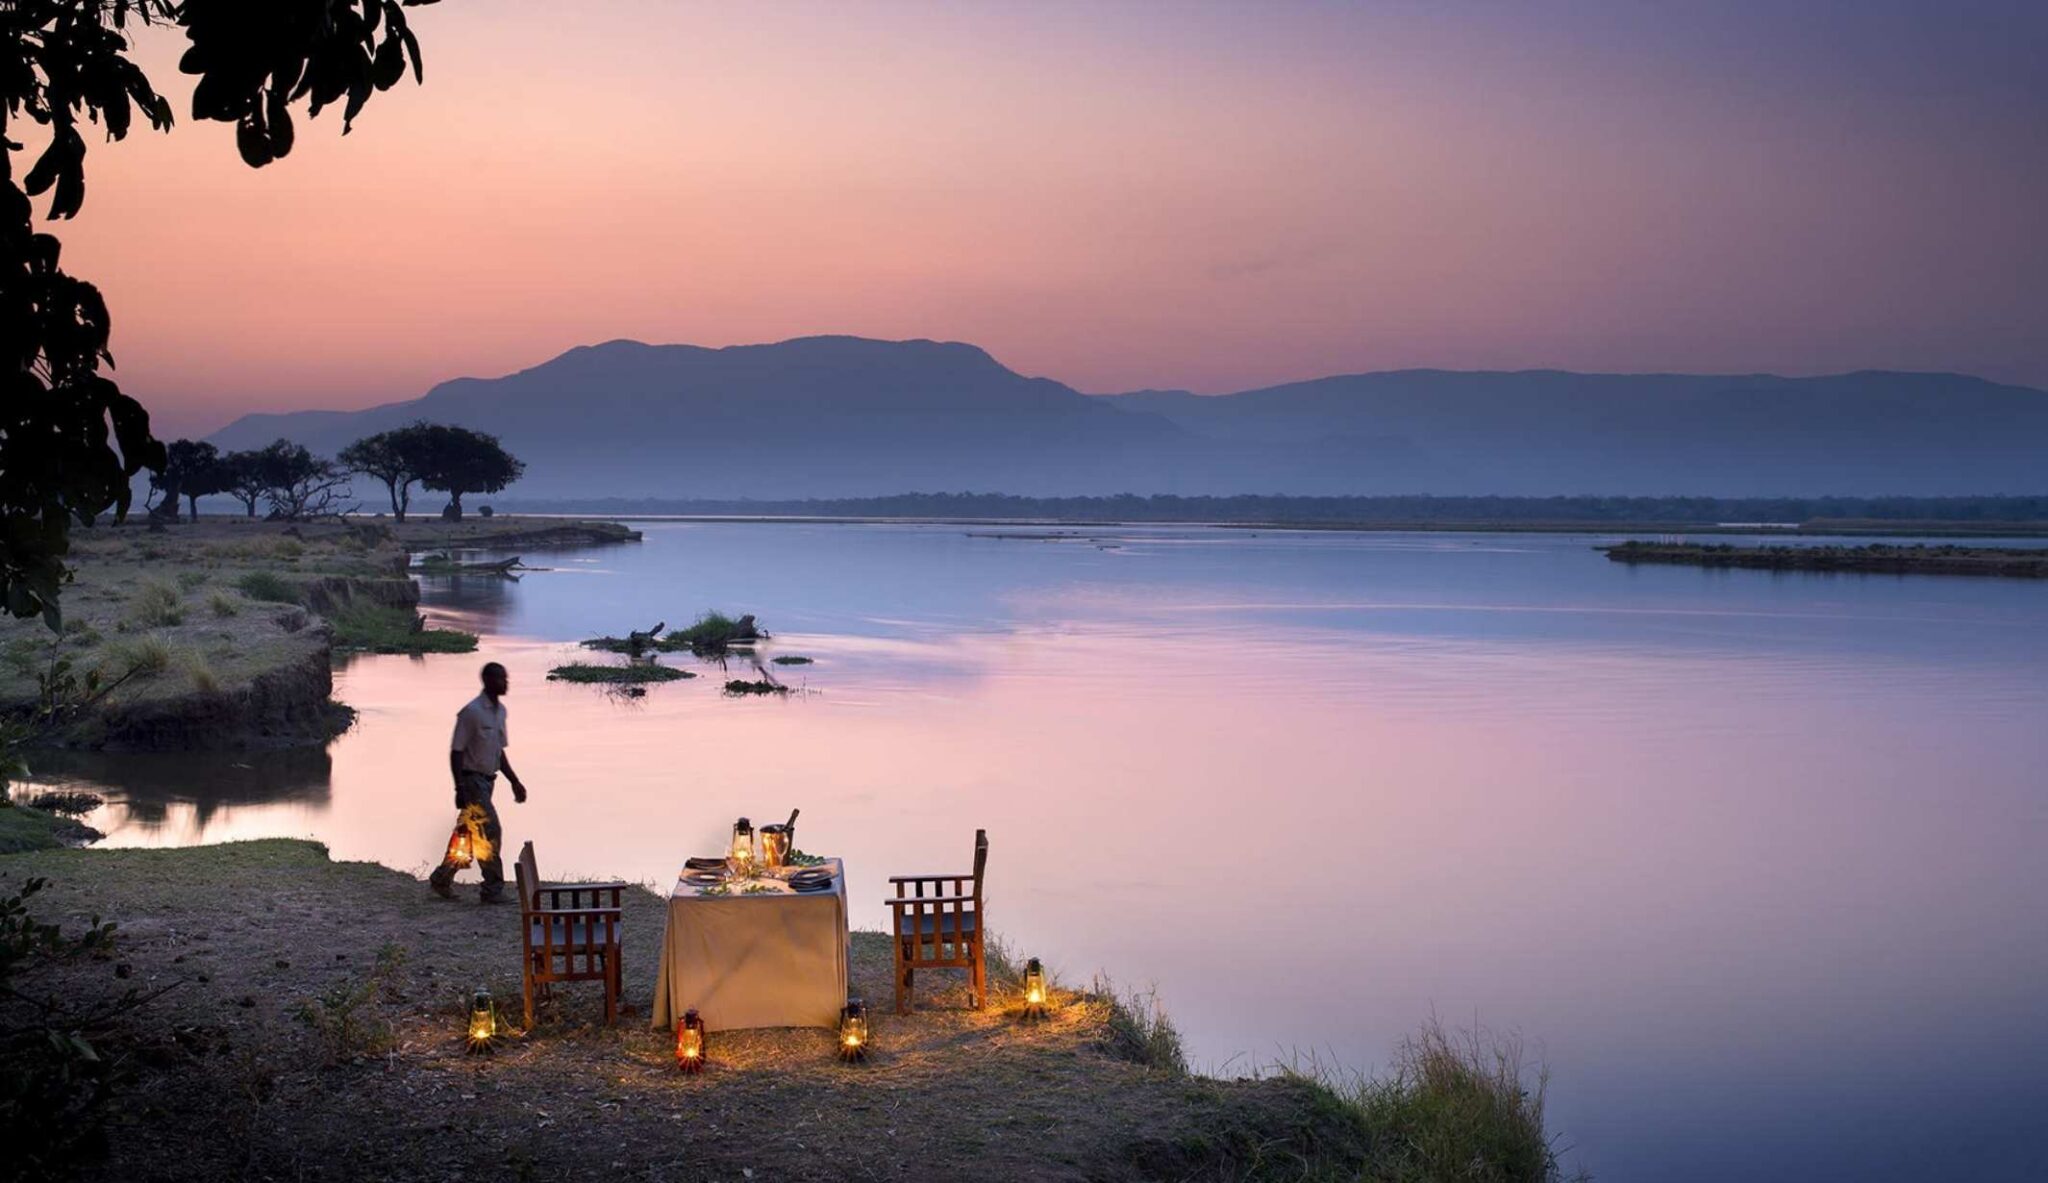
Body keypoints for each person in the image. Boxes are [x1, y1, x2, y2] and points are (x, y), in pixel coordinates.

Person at [429, 661, 529, 903]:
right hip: (471, 781)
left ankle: (442, 877)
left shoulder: (500, 712)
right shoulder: (471, 713)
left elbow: (499, 752)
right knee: (489, 830)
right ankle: (492, 889)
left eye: (506, 679)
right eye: (500, 679)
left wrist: (515, 781)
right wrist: (459, 788)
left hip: (488, 781)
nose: (505, 683)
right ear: (487, 681)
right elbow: (456, 752)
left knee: (466, 833)